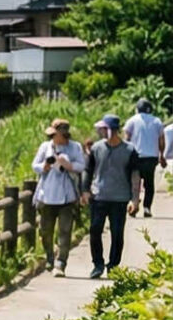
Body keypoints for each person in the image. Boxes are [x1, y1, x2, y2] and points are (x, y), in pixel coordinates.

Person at [32, 117, 87, 276]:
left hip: (67, 197)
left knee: (65, 231)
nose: (52, 138)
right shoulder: (45, 146)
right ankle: (50, 256)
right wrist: (46, 166)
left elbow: (81, 166)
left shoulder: (74, 147)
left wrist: (67, 165)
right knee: (45, 231)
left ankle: (61, 263)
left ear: (63, 135)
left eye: (54, 135)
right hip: (46, 195)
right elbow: (35, 165)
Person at [87, 114, 136, 277]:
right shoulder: (96, 148)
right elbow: (88, 170)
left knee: (117, 233)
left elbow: (135, 175)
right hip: (98, 196)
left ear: (112, 130)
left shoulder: (129, 150)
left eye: (103, 129)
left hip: (120, 198)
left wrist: (134, 200)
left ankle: (113, 265)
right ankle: (98, 264)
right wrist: (85, 191)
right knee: (95, 231)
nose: (100, 131)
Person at [129, 98, 167, 218]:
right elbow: (161, 140)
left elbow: (126, 138)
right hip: (151, 157)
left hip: (136, 156)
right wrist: (162, 156)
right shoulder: (157, 121)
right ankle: (147, 208)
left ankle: (134, 204)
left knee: (135, 182)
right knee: (149, 183)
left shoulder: (132, 120)